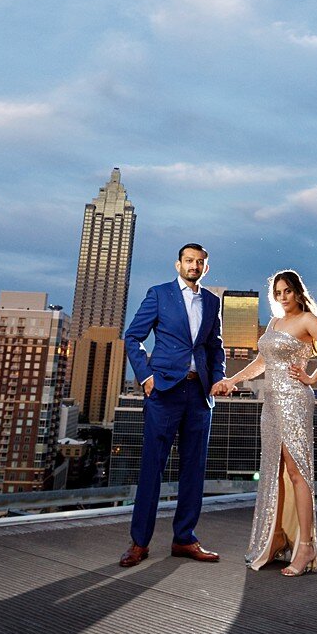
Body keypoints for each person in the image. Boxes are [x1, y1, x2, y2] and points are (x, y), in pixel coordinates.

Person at [216, 269, 317, 576]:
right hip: (271, 403)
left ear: (298, 292)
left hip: (295, 400)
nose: (282, 297)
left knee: (297, 471)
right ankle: (276, 539)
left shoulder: (308, 320)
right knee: (275, 470)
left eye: (287, 291)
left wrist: (311, 377)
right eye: (278, 292)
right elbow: (262, 362)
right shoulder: (274, 323)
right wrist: (233, 379)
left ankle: (306, 546)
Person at [119, 242, 228, 567]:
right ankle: (140, 543)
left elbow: (214, 347)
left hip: (199, 395)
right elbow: (133, 336)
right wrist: (146, 376)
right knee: (153, 467)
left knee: (193, 469)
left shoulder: (211, 302)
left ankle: (184, 539)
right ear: (178, 264)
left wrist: (219, 377)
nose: (194, 266)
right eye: (189, 260)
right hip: (164, 391)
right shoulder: (159, 294)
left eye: (200, 262)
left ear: (206, 268)